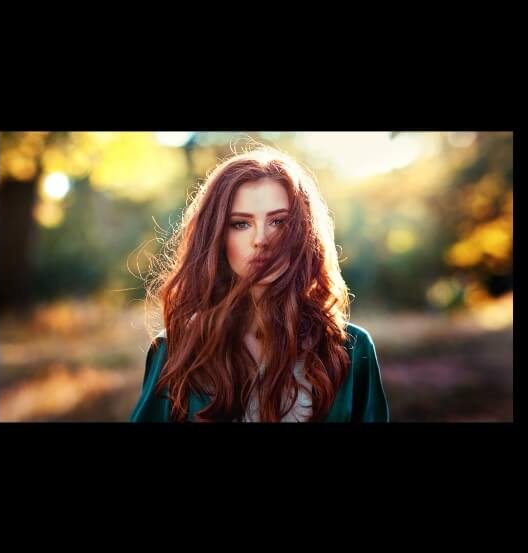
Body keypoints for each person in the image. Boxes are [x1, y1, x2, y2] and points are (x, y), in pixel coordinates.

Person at [130, 146, 389, 422]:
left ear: (304, 232)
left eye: (278, 222)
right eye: (241, 224)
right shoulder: (175, 349)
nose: (261, 239)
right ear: (216, 236)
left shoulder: (351, 348)